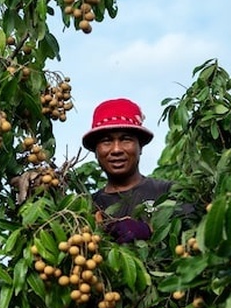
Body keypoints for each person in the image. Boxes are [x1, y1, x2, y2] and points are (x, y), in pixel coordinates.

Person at [81, 98, 190, 243]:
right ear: (96, 151)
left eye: (126, 139)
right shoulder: (85, 207)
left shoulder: (170, 192)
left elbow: (194, 233)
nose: (116, 150)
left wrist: (150, 230)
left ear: (140, 147)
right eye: (106, 141)